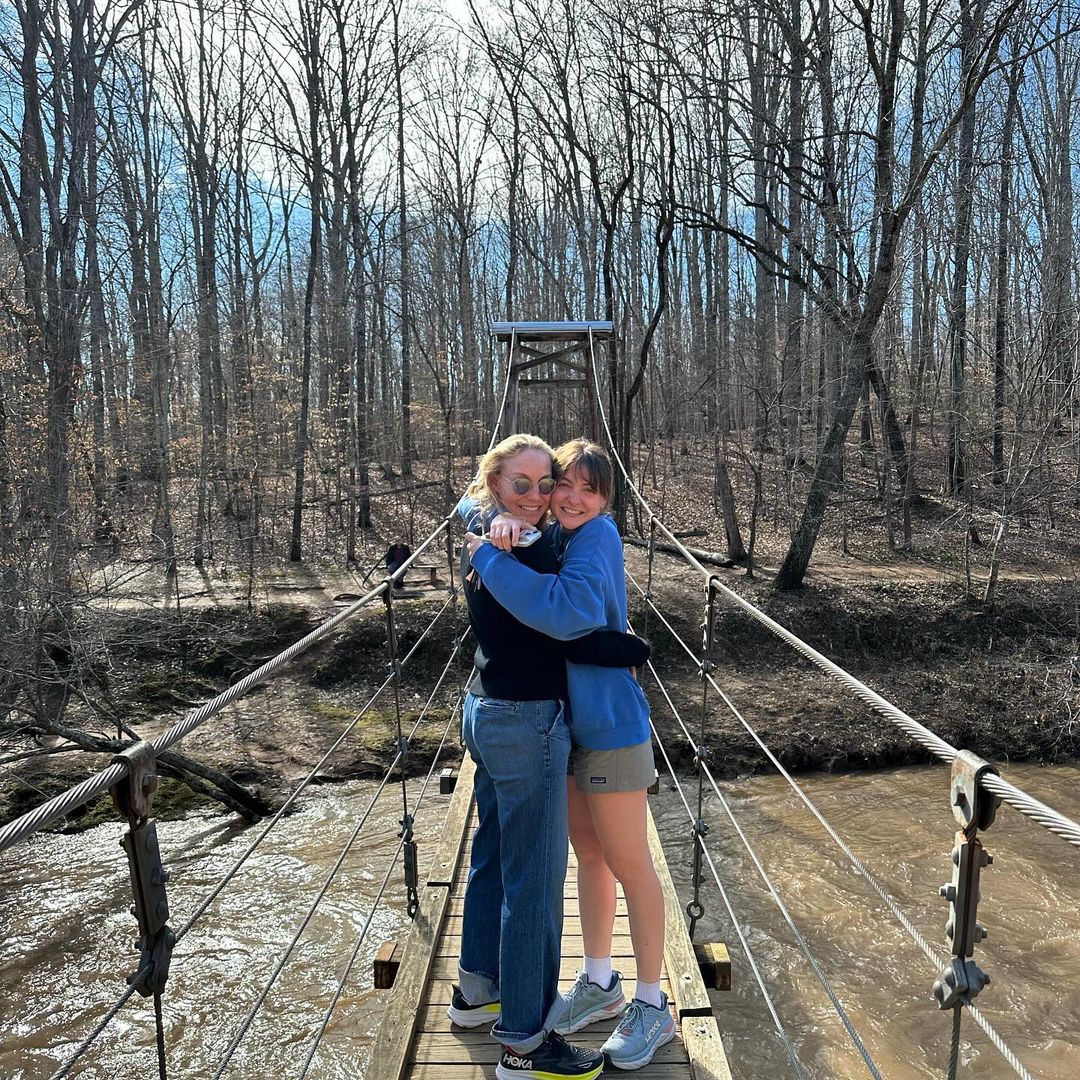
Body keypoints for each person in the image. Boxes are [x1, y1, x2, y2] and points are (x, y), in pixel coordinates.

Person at [465, 439, 674, 1071]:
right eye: (564, 486)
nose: (571, 498)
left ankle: (651, 1003)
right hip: (569, 724)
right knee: (589, 856)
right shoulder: (546, 532)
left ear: (607, 501)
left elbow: (569, 611)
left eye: (590, 490)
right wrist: (482, 519)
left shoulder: (597, 538)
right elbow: (472, 503)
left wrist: (484, 553)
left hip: (607, 725)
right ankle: (601, 980)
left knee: (629, 861)